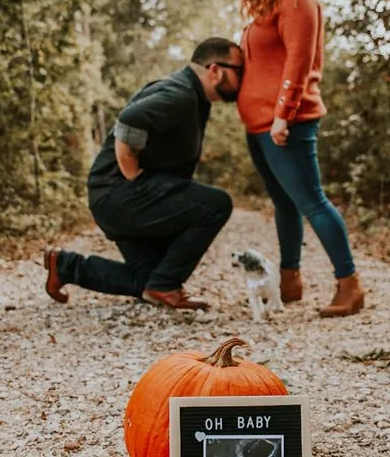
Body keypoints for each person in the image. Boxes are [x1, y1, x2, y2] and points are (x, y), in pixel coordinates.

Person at [44, 37, 244, 311]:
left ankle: (65, 266)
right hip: (120, 195)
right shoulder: (181, 94)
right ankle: (165, 287)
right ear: (215, 70)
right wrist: (133, 175)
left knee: (149, 277)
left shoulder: (190, 93)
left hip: (112, 197)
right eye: (239, 71)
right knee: (217, 204)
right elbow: (131, 120)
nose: (243, 79)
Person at [227, 0, 364, 317]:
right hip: (259, 126)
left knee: (312, 201)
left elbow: (299, 61)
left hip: (287, 123)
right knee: (284, 203)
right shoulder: (266, 10)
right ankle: (290, 281)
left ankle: (349, 285)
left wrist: (283, 115)